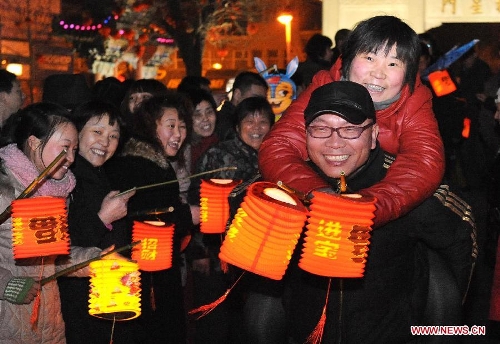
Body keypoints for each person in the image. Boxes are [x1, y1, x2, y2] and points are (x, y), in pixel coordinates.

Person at [285, 81, 475, 343]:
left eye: (350, 129)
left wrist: (441, 317)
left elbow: (461, 235)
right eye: (320, 129)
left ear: (374, 134)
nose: (334, 143)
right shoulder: (287, 182)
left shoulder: (404, 184)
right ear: (304, 135)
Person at [259, 15, 445, 227]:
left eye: (393, 63)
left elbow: (424, 163)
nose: (378, 74)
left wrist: (366, 208)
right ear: (348, 59)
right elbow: (279, 145)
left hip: (381, 208)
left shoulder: (415, 101)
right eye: (369, 58)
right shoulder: (325, 87)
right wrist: (318, 194)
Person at [0, 102, 113, 343]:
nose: (71, 158)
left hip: (48, 320)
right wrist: (6, 283)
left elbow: (52, 258)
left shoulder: (57, 193)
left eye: (74, 149)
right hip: (6, 323)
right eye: (64, 148)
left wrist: (95, 260)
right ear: (34, 142)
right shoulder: (4, 191)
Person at [105, 94, 200, 343]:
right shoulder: (136, 164)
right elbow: (141, 217)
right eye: (170, 125)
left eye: (182, 126)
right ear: (150, 125)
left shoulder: (155, 161)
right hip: (144, 274)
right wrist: (185, 215)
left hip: (158, 268)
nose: (178, 133)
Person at [187, 96, 275, 344]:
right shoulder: (218, 155)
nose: (256, 127)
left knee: (248, 324)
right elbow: (196, 200)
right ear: (237, 126)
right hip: (217, 254)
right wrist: (199, 251)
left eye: (263, 122)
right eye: (250, 121)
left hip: (259, 256)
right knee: (214, 322)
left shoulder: (274, 158)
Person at [58, 100, 136, 344]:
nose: (105, 142)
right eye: (98, 132)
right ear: (77, 133)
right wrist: (104, 217)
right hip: (79, 293)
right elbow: (64, 246)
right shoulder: (66, 178)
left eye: (113, 136)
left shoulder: (100, 174)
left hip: (105, 289)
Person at [216, 71, 268, 141]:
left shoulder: (234, 118)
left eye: (263, 100)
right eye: (254, 98)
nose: (259, 103)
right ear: (237, 95)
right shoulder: (225, 124)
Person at [186, 89, 220, 172]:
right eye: (197, 115)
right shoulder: (181, 151)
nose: (205, 119)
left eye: (209, 112)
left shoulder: (222, 145)